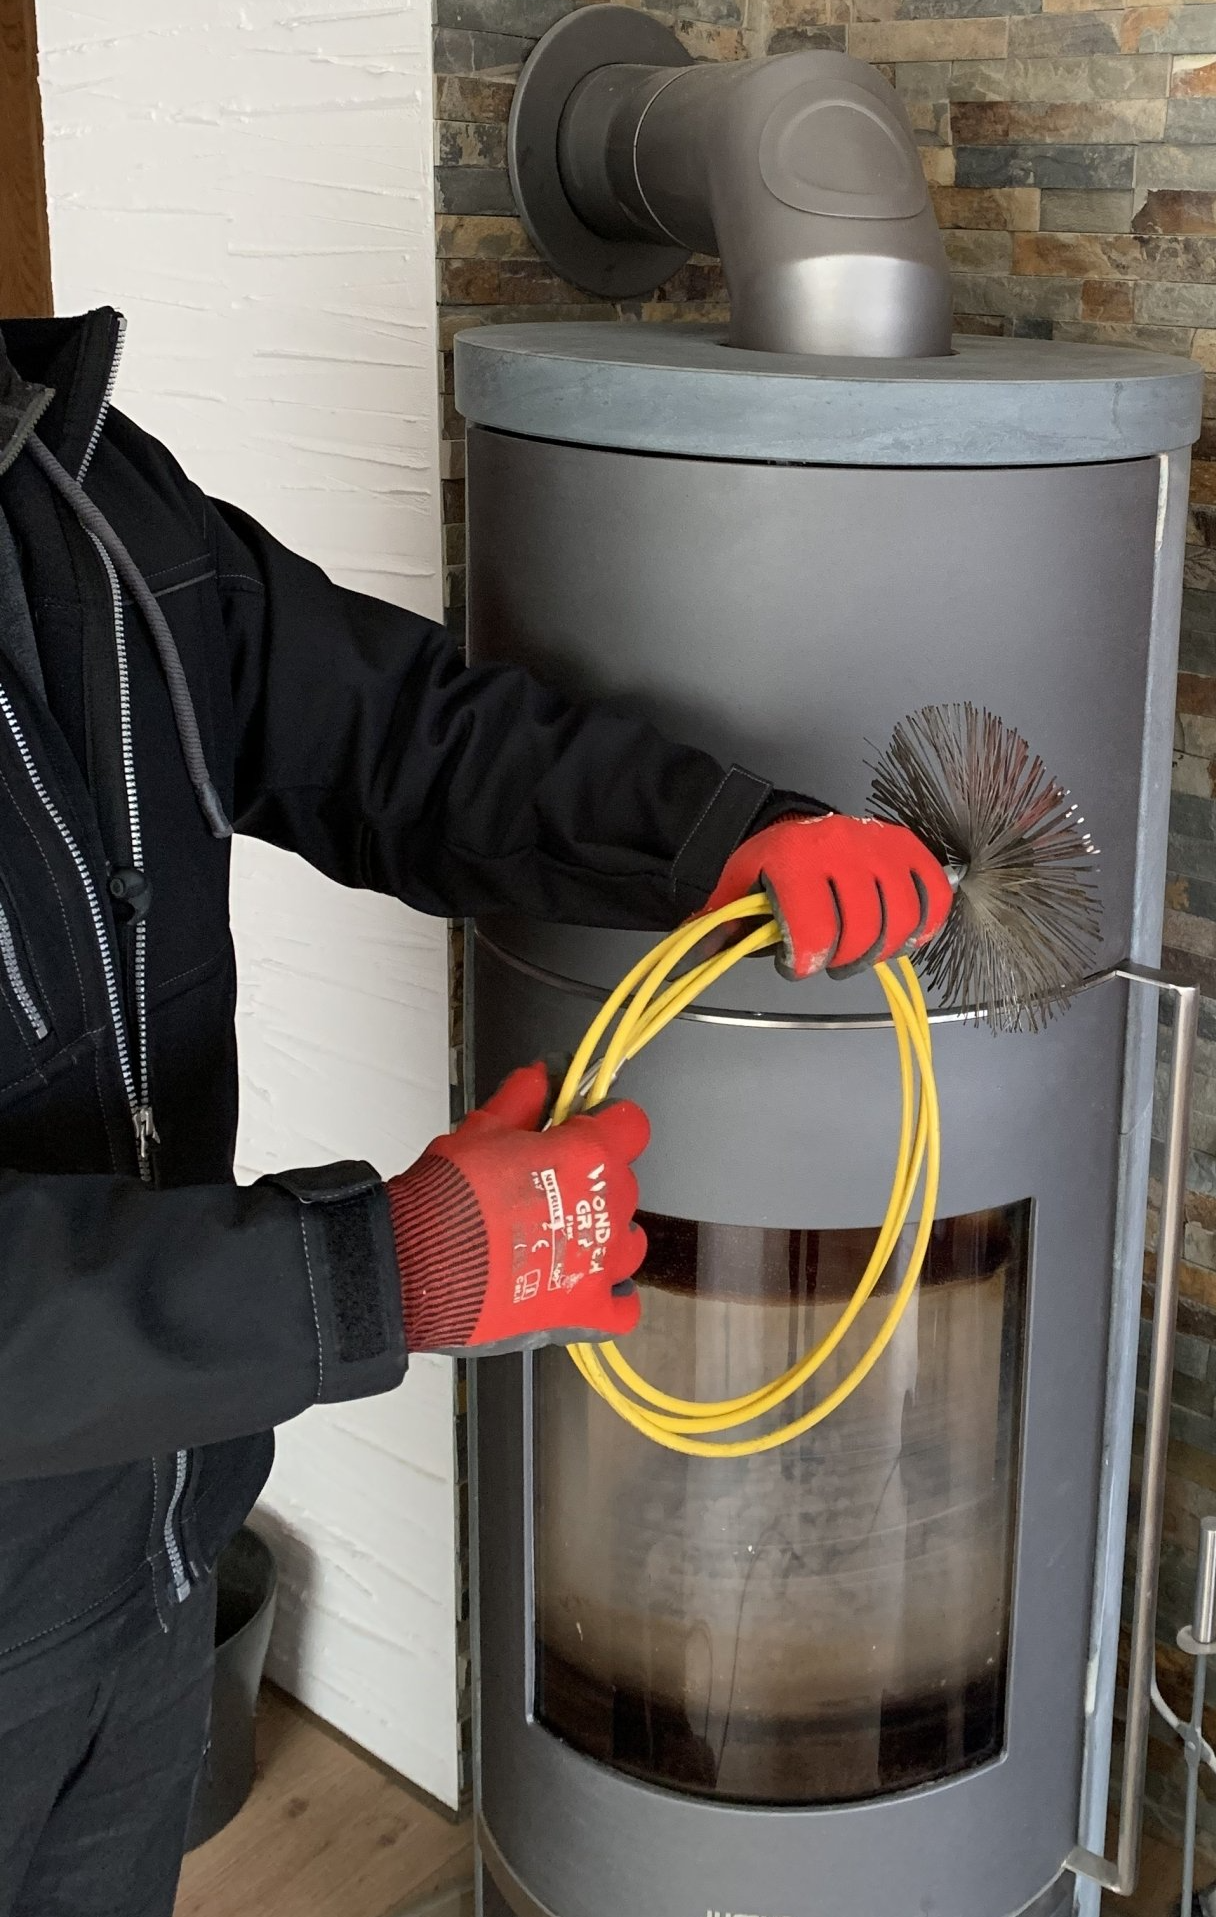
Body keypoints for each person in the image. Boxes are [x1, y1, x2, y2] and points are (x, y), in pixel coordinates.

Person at [0, 308, 953, 1916]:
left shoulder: (75, 490)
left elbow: (382, 732)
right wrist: (387, 1267)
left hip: (150, 1557)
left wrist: (711, 838)